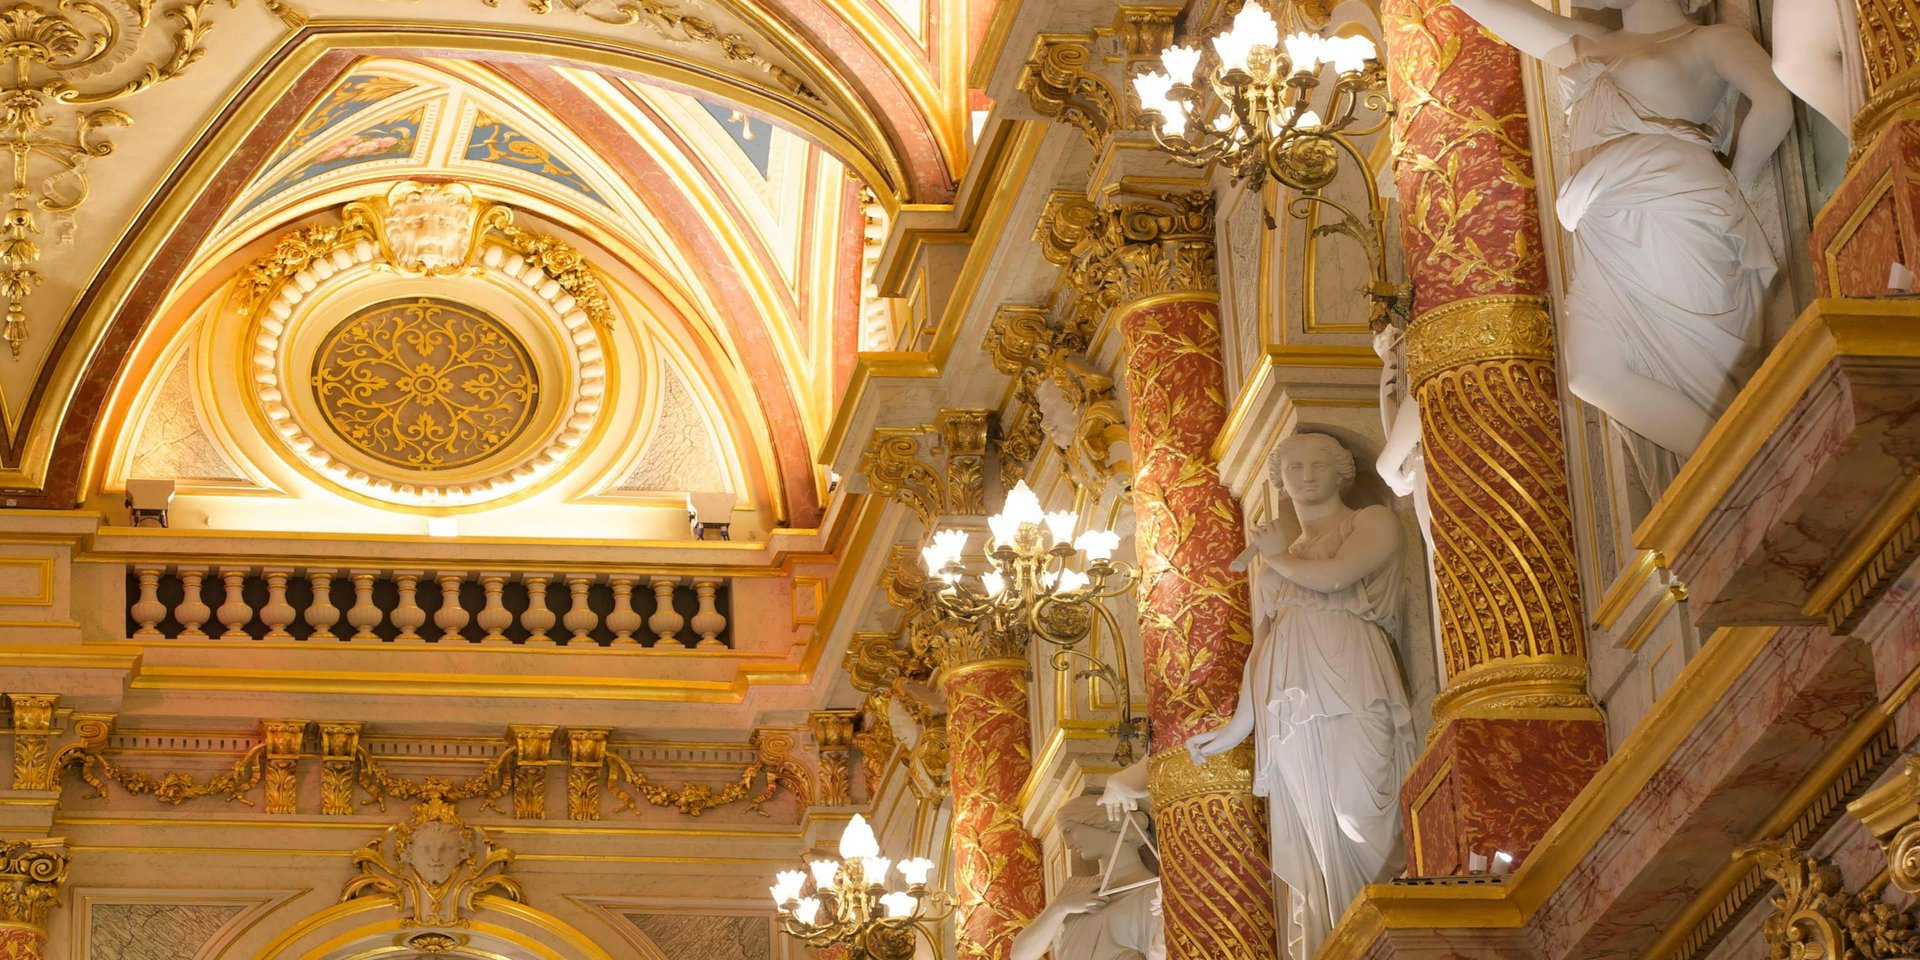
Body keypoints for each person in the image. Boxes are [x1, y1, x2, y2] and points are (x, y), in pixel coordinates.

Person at [1453, 0, 1791, 456]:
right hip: (1601, 216)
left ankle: (1744, 473)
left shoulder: (1709, 41)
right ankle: (1741, 473)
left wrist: (1738, 183)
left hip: (1670, 202)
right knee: (1591, 374)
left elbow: (1774, 101)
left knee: (1637, 368)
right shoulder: (1589, 43)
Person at [1186, 433, 1415, 959]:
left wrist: (1275, 558)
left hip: (1351, 672)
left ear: (1343, 473)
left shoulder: (1369, 523)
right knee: (1318, 827)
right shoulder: (1277, 564)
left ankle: (1395, 927)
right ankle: (1348, 938)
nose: (1305, 475)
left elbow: (1334, 578)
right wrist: (1239, 725)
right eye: (1293, 467)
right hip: (1289, 704)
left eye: (1318, 464)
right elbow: (1260, 650)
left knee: (1362, 812)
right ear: (1280, 482)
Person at [1010, 795, 1164, 960]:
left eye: (1069, 831)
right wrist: (1059, 908)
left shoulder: (1153, 895)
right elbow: (1020, 955)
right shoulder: (1074, 890)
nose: (1068, 845)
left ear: (1104, 823)